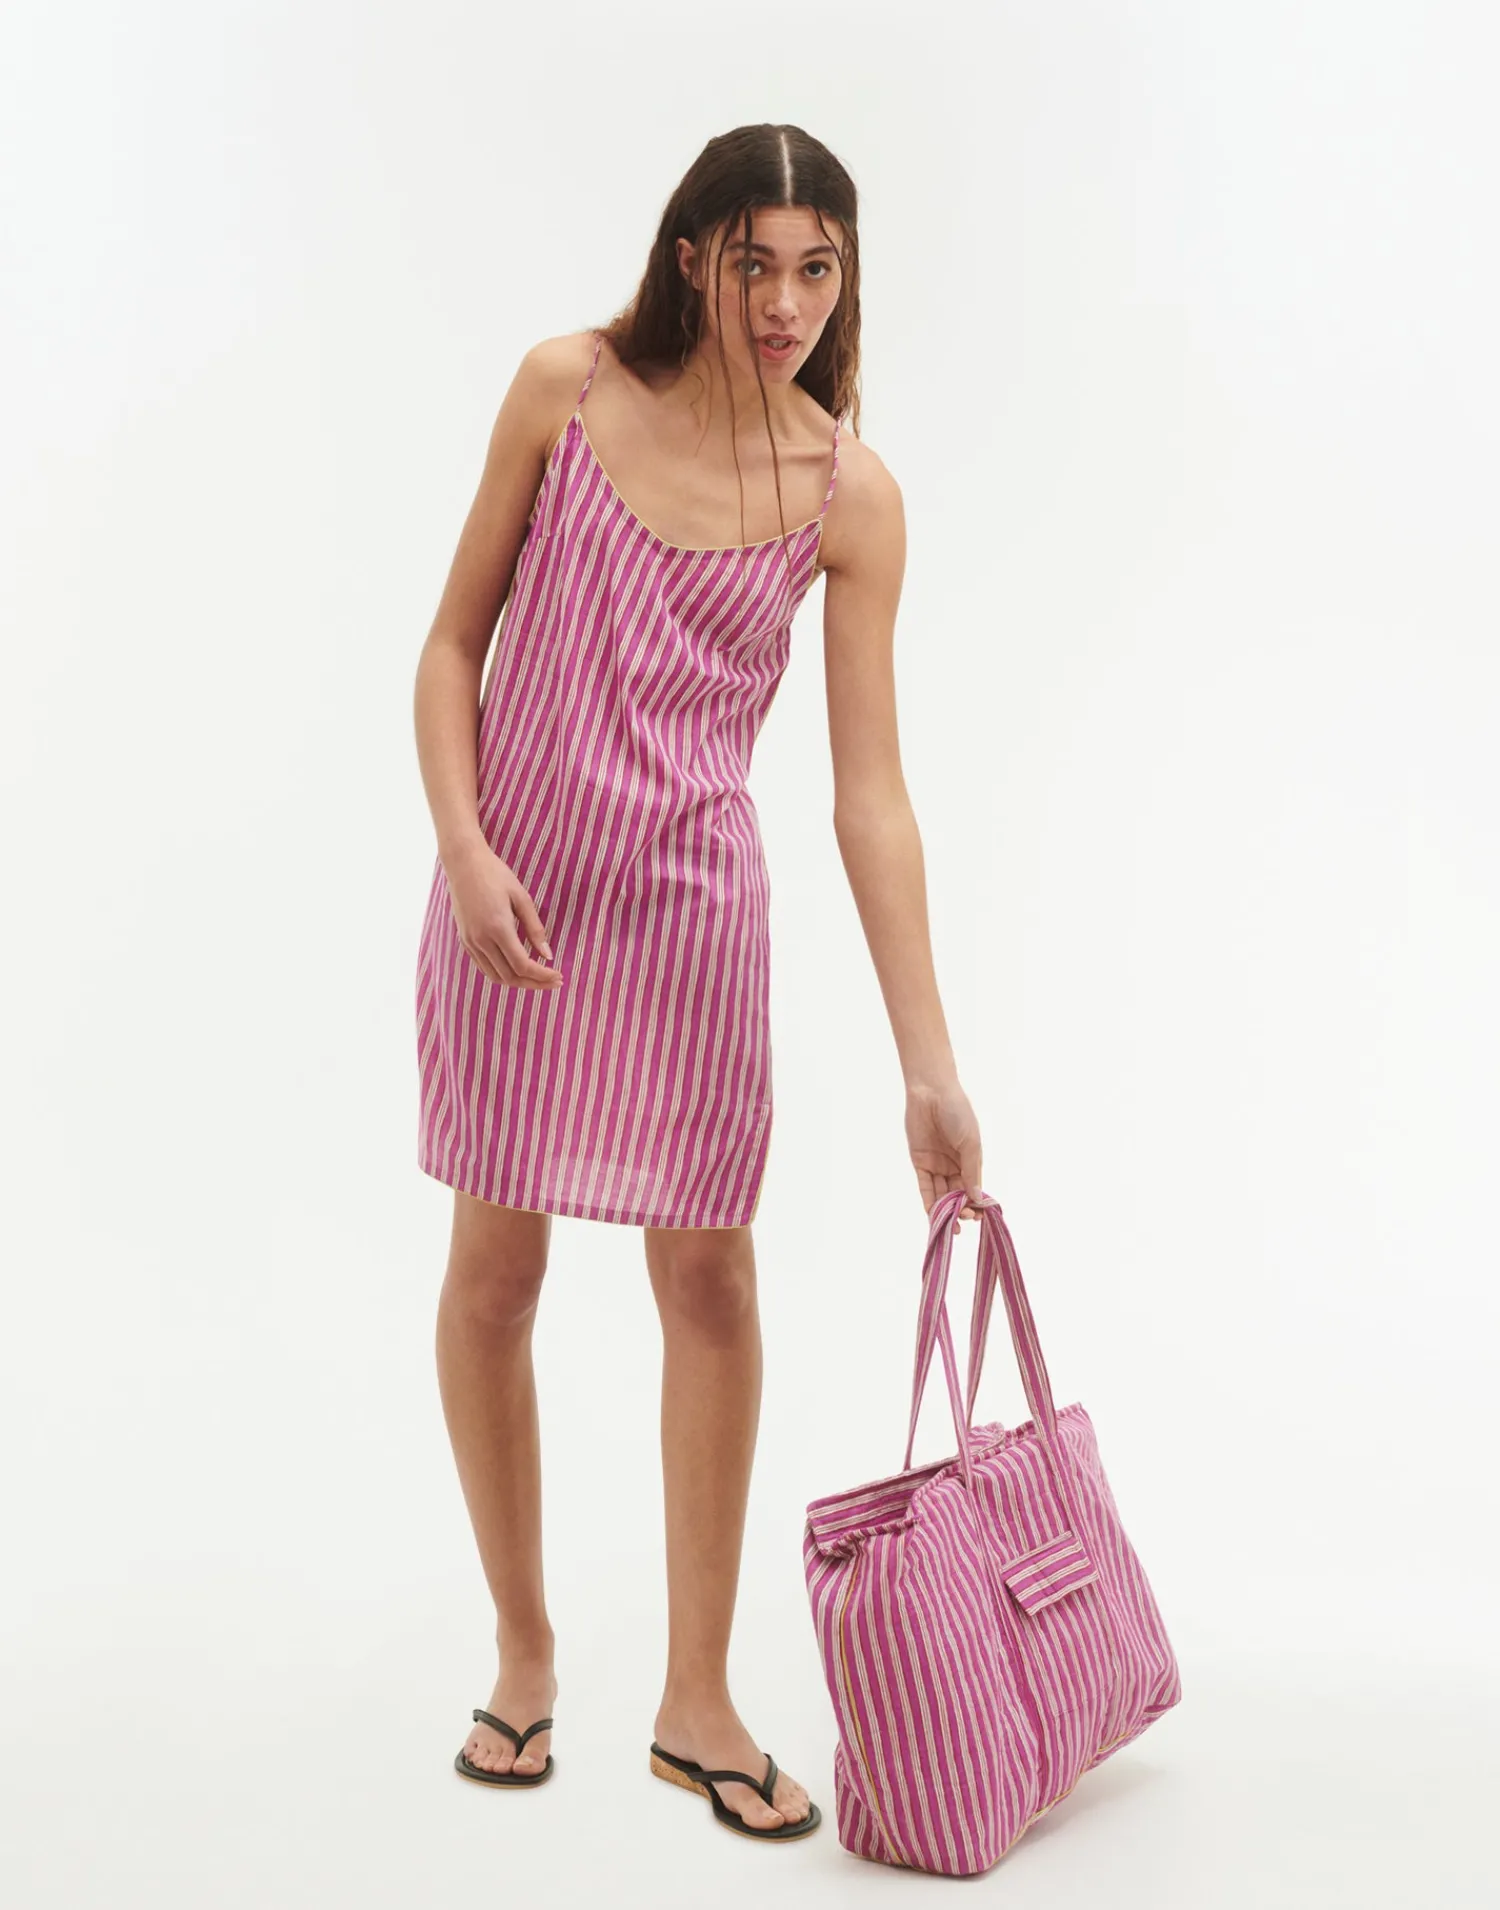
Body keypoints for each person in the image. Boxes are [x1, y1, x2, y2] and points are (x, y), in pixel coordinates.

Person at [412, 122, 983, 1843]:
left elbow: (871, 796)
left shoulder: (849, 495)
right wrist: (464, 848)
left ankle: (698, 1697)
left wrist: (929, 1061)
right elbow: (450, 646)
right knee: (496, 1275)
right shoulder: (565, 388)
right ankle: (524, 1650)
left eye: (819, 268)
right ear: (692, 259)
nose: (788, 301)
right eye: (756, 264)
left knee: (713, 1285)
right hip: (513, 905)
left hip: (692, 929)